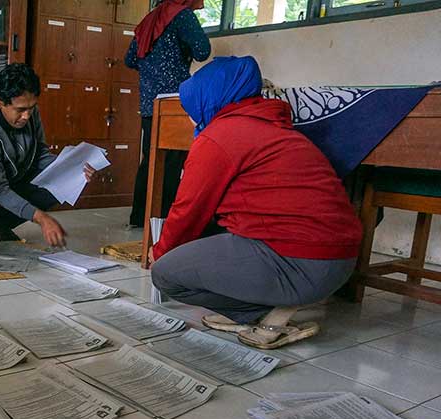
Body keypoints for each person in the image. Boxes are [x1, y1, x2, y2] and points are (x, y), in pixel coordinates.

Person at [149, 56, 363, 349]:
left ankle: (264, 315)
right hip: (339, 261)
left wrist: (159, 252)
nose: (191, 117)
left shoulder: (221, 136)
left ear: (212, 98)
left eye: (191, 106)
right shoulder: (270, 126)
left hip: (302, 263)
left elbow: (188, 210)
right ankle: (276, 304)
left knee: (166, 274)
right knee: (210, 241)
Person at [0, 63, 95, 256]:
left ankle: (0, 220)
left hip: (14, 172)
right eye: (20, 110)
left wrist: (73, 169)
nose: (27, 116)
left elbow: (41, 155)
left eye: (31, 108)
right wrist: (42, 218)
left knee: (62, 177)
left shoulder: (27, 108)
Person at [125, 0, 210, 229]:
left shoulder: (150, 18)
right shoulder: (182, 16)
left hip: (150, 103)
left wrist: (153, 70)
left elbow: (130, 59)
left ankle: (139, 216)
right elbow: (203, 51)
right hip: (173, 101)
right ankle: (160, 218)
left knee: (151, 159)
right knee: (172, 160)